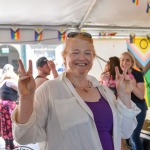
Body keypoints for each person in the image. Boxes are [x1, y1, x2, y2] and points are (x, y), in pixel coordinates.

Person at [12, 32, 140, 150]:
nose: (82, 58)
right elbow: (24, 137)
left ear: (93, 57)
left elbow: (125, 131)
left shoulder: (104, 91)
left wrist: (124, 94)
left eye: (87, 53)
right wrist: (26, 98)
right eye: (75, 52)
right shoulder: (49, 89)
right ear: (64, 58)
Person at [119, 52, 147, 150]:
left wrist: (132, 85)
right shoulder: (119, 74)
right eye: (122, 60)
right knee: (127, 136)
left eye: (127, 60)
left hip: (139, 106)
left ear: (131, 62)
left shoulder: (137, 74)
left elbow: (141, 95)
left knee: (134, 137)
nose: (124, 62)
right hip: (127, 107)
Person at [0, 64, 18, 150]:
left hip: (2, 104)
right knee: (11, 124)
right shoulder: (10, 81)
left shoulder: (2, 82)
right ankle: (11, 145)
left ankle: (8, 144)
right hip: (9, 104)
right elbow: (21, 90)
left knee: (5, 125)